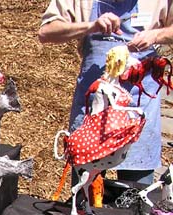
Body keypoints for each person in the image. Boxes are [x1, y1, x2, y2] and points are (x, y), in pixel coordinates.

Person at [38, 0, 173, 185]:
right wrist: (90, 26)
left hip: (139, 109)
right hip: (93, 110)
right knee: (85, 189)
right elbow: (46, 32)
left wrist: (156, 35)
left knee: (136, 193)